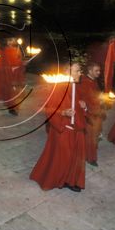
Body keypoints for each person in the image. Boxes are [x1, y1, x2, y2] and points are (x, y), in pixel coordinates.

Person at [30, 63, 86, 192]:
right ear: (67, 72)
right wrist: (63, 113)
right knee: (62, 158)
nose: (80, 74)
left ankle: (70, 179)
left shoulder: (74, 86)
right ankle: (57, 179)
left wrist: (84, 106)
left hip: (76, 129)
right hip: (64, 129)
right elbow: (49, 110)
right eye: (77, 71)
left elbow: (78, 104)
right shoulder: (58, 88)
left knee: (75, 157)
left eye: (80, 71)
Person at [79, 62, 105, 167]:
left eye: (99, 70)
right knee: (91, 137)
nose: (99, 73)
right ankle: (90, 158)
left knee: (92, 137)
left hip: (95, 112)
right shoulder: (86, 82)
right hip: (90, 114)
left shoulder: (93, 81)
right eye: (96, 71)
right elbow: (87, 99)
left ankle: (87, 155)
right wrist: (100, 103)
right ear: (90, 71)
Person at [2, 38, 25, 116]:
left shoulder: (17, 50)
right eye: (10, 42)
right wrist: (16, 65)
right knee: (11, 92)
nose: (11, 43)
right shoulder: (6, 51)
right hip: (10, 74)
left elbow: (19, 60)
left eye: (12, 42)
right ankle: (12, 108)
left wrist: (22, 62)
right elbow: (6, 63)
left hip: (16, 74)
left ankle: (13, 107)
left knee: (15, 92)